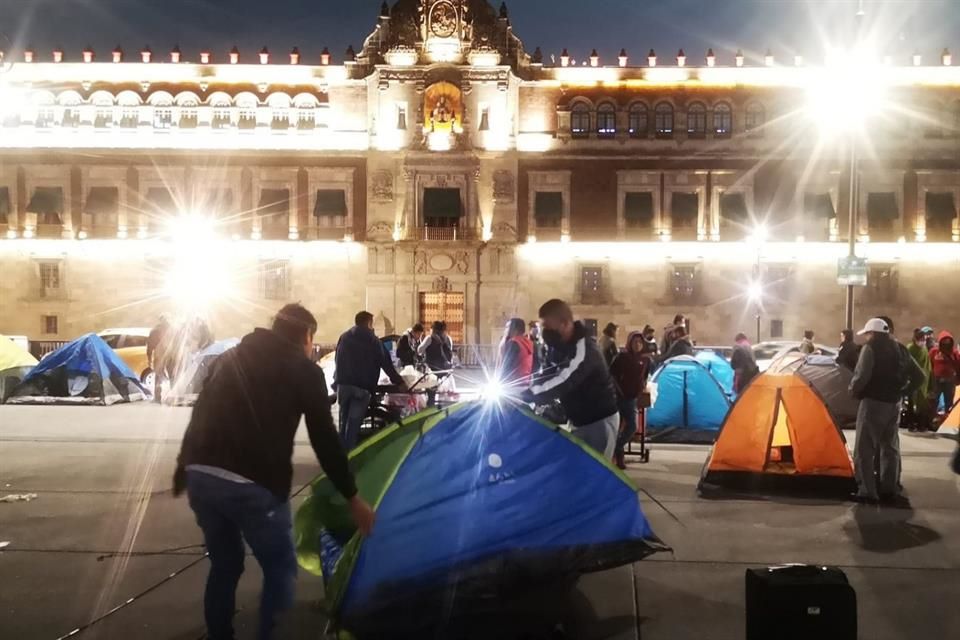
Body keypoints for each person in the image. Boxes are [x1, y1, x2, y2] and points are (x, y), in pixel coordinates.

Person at [172, 304, 375, 640]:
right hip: (253, 483)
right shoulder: (304, 370)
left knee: (225, 564)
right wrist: (353, 497)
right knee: (279, 567)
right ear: (307, 336)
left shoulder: (232, 357)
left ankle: (219, 634)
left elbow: (202, 411)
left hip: (202, 477)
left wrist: (184, 468)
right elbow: (325, 439)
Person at [522, 299, 619, 458]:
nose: (545, 332)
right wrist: (526, 389)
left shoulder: (585, 348)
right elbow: (547, 373)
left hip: (598, 421)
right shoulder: (558, 348)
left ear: (565, 323)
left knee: (593, 475)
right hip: (578, 420)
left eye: (547, 326)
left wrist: (531, 393)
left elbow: (566, 378)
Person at [849, 317, 907, 505]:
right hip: (894, 402)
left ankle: (867, 490)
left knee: (865, 448)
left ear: (872, 333)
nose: (866, 337)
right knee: (889, 447)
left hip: (874, 402)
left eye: (867, 334)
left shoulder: (870, 348)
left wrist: (853, 391)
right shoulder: (897, 347)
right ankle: (888, 488)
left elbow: (862, 375)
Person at [335, 311, 406, 450]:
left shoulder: (344, 337)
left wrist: (336, 381)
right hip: (362, 388)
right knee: (353, 427)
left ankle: (339, 455)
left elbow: (337, 359)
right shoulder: (374, 341)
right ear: (369, 323)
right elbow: (386, 364)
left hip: (343, 386)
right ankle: (349, 458)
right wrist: (399, 382)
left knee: (343, 424)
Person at [609, 332, 654, 469]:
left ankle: (617, 448)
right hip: (620, 397)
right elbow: (612, 374)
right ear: (630, 343)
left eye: (640, 342)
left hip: (633, 398)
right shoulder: (622, 357)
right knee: (622, 427)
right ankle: (618, 453)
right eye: (635, 342)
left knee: (630, 427)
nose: (637, 345)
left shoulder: (645, 360)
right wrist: (619, 391)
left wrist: (641, 388)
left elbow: (644, 377)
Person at [905, 328, 933, 432]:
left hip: (924, 380)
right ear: (916, 339)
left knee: (923, 404)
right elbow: (907, 363)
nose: (923, 342)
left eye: (924, 340)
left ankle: (921, 424)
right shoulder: (910, 348)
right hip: (913, 379)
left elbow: (927, 364)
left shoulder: (924, 349)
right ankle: (911, 424)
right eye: (921, 339)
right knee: (911, 403)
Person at [929, 330, 960, 417]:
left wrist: (958, 379)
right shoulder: (934, 352)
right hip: (936, 380)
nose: (946, 344)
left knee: (949, 401)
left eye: (948, 342)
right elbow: (929, 364)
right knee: (934, 400)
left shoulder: (954, 353)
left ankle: (947, 419)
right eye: (944, 342)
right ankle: (932, 419)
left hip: (950, 380)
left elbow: (958, 365)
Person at [498, 318, 534, 385]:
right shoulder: (529, 343)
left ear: (514, 328)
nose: (505, 330)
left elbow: (506, 366)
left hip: (512, 384)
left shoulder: (513, 342)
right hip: (525, 382)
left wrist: (499, 382)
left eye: (507, 327)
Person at [147, 315, 171, 403]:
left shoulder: (155, 330)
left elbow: (150, 345)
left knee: (158, 376)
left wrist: (149, 358)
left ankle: (157, 398)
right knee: (173, 375)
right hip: (172, 355)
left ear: (160, 320)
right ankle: (175, 396)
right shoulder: (174, 330)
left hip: (159, 355)